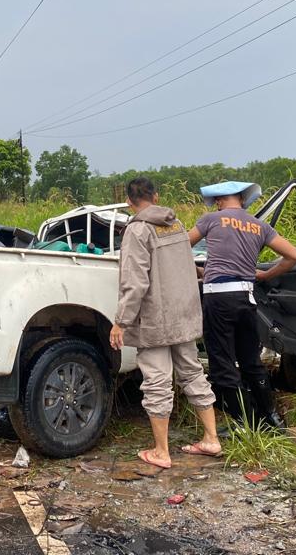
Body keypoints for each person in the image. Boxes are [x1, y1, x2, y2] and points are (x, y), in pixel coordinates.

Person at [110, 177, 221, 469]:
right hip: (183, 316)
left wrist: (121, 321)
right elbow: (188, 265)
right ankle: (211, 438)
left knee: (157, 383)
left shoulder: (137, 230)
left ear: (129, 201)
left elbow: (134, 282)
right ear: (156, 196)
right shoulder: (177, 224)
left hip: (155, 321)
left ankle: (161, 451)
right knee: (193, 374)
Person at [188, 181, 296, 430]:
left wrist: (200, 271)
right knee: (251, 361)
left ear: (219, 200)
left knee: (222, 364)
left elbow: (179, 247)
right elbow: (294, 256)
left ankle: (247, 424)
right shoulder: (259, 226)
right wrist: (265, 275)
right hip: (246, 298)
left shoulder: (211, 220)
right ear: (241, 200)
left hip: (218, 299)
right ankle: (271, 418)